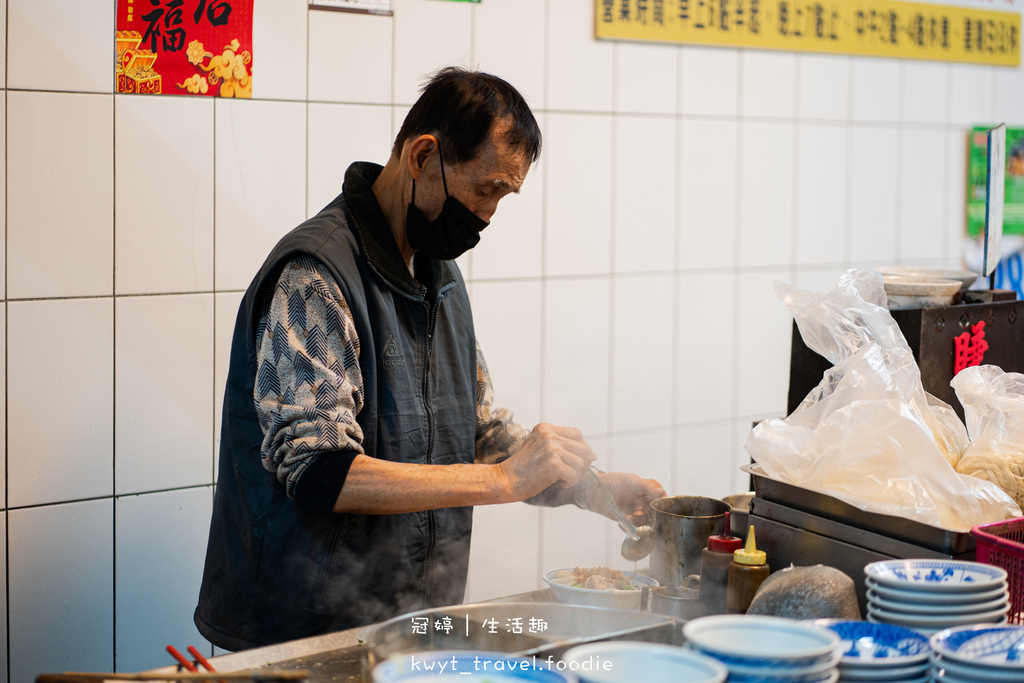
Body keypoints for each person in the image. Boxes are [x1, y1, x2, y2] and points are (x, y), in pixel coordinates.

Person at [194, 67, 666, 651]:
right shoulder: (317, 275)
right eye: (485, 188)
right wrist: (501, 481)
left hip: (410, 622)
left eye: (503, 195)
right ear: (422, 156)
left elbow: (479, 431)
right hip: (303, 634)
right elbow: (319, 470)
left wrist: (590, 488)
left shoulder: (440, 280)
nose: (489, 214)